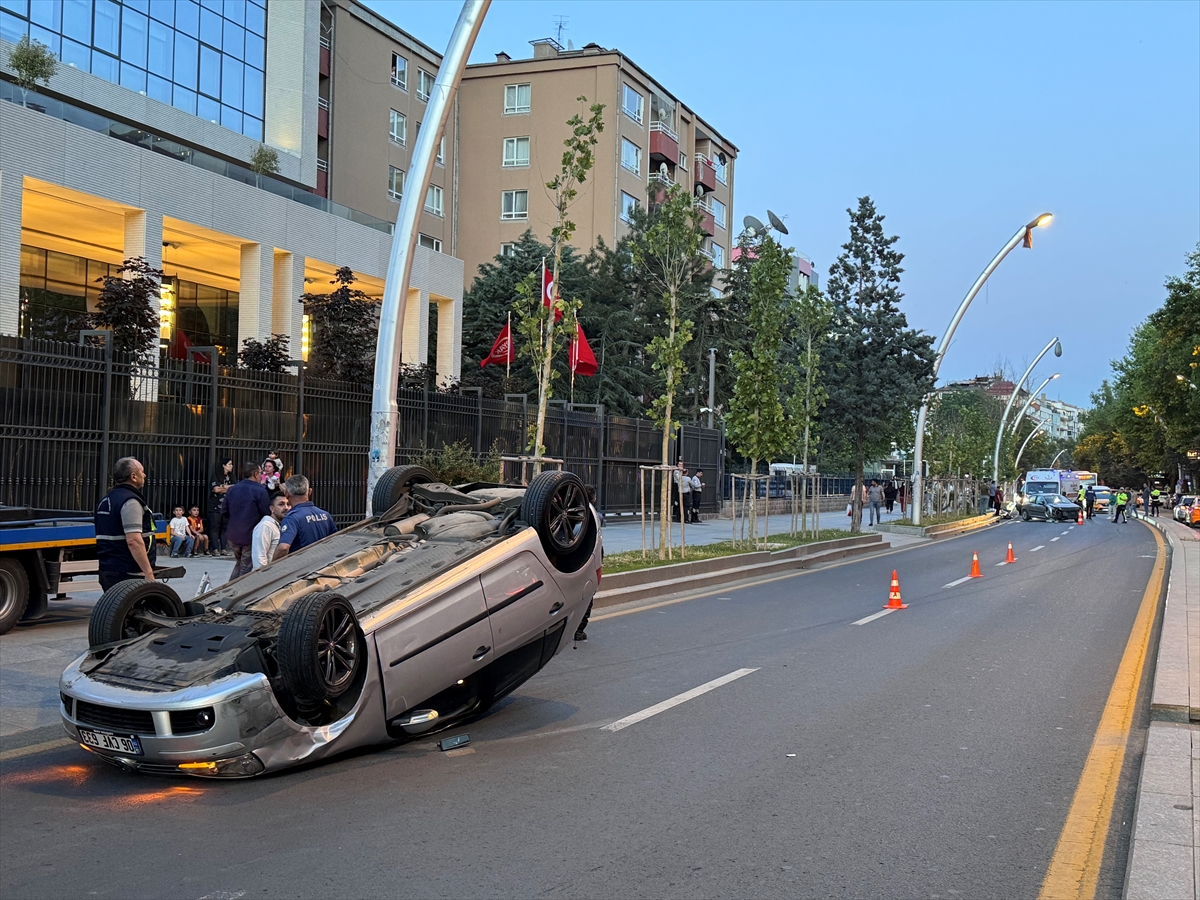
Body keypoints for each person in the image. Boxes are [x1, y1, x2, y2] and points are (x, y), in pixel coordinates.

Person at [94, 457, 157, 591]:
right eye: (142, 471)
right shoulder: (130, 502)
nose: (144, 475)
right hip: (128, 572)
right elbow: (134, 541)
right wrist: (148, 573)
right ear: (133, 476)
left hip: (109, 569)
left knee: (117, 610)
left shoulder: (106, 500)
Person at [273, 475, 337, 561]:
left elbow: (283, 547)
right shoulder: (325, 515)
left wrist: (271, 569)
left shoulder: (292, 518)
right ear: (310, 491)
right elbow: (336, 540)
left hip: (301, 568)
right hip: (323, 565)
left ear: (286, 494)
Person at [225, 462, 271, 580]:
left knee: (240, 563)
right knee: (246, 567)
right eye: (261, 473)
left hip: (233, 534)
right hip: (250, 534)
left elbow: (224, 511)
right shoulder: (260, 491)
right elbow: (266, 513)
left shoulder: (232, 489)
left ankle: (228, 590)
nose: (262, 476)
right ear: (255, 474)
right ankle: (236, 593)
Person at [251, 494, 289, 569]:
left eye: (288, 504)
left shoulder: (283, 525)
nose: (286, 508)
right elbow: (259, 558)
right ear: (272, 508)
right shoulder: (265, 526)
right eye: (281, 504)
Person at [209, 458, 233, 556]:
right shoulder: (216, 475)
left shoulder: (231, 476)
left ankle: (223, 549)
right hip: (215, 505)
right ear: (223, 465)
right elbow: (215, 489)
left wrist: (222, 487)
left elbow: (234, 487)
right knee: (215, 527)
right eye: (229, 464)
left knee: (225, 528)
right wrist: (227, 487)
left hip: (227, 505)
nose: (231, 466)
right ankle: (215, 549)